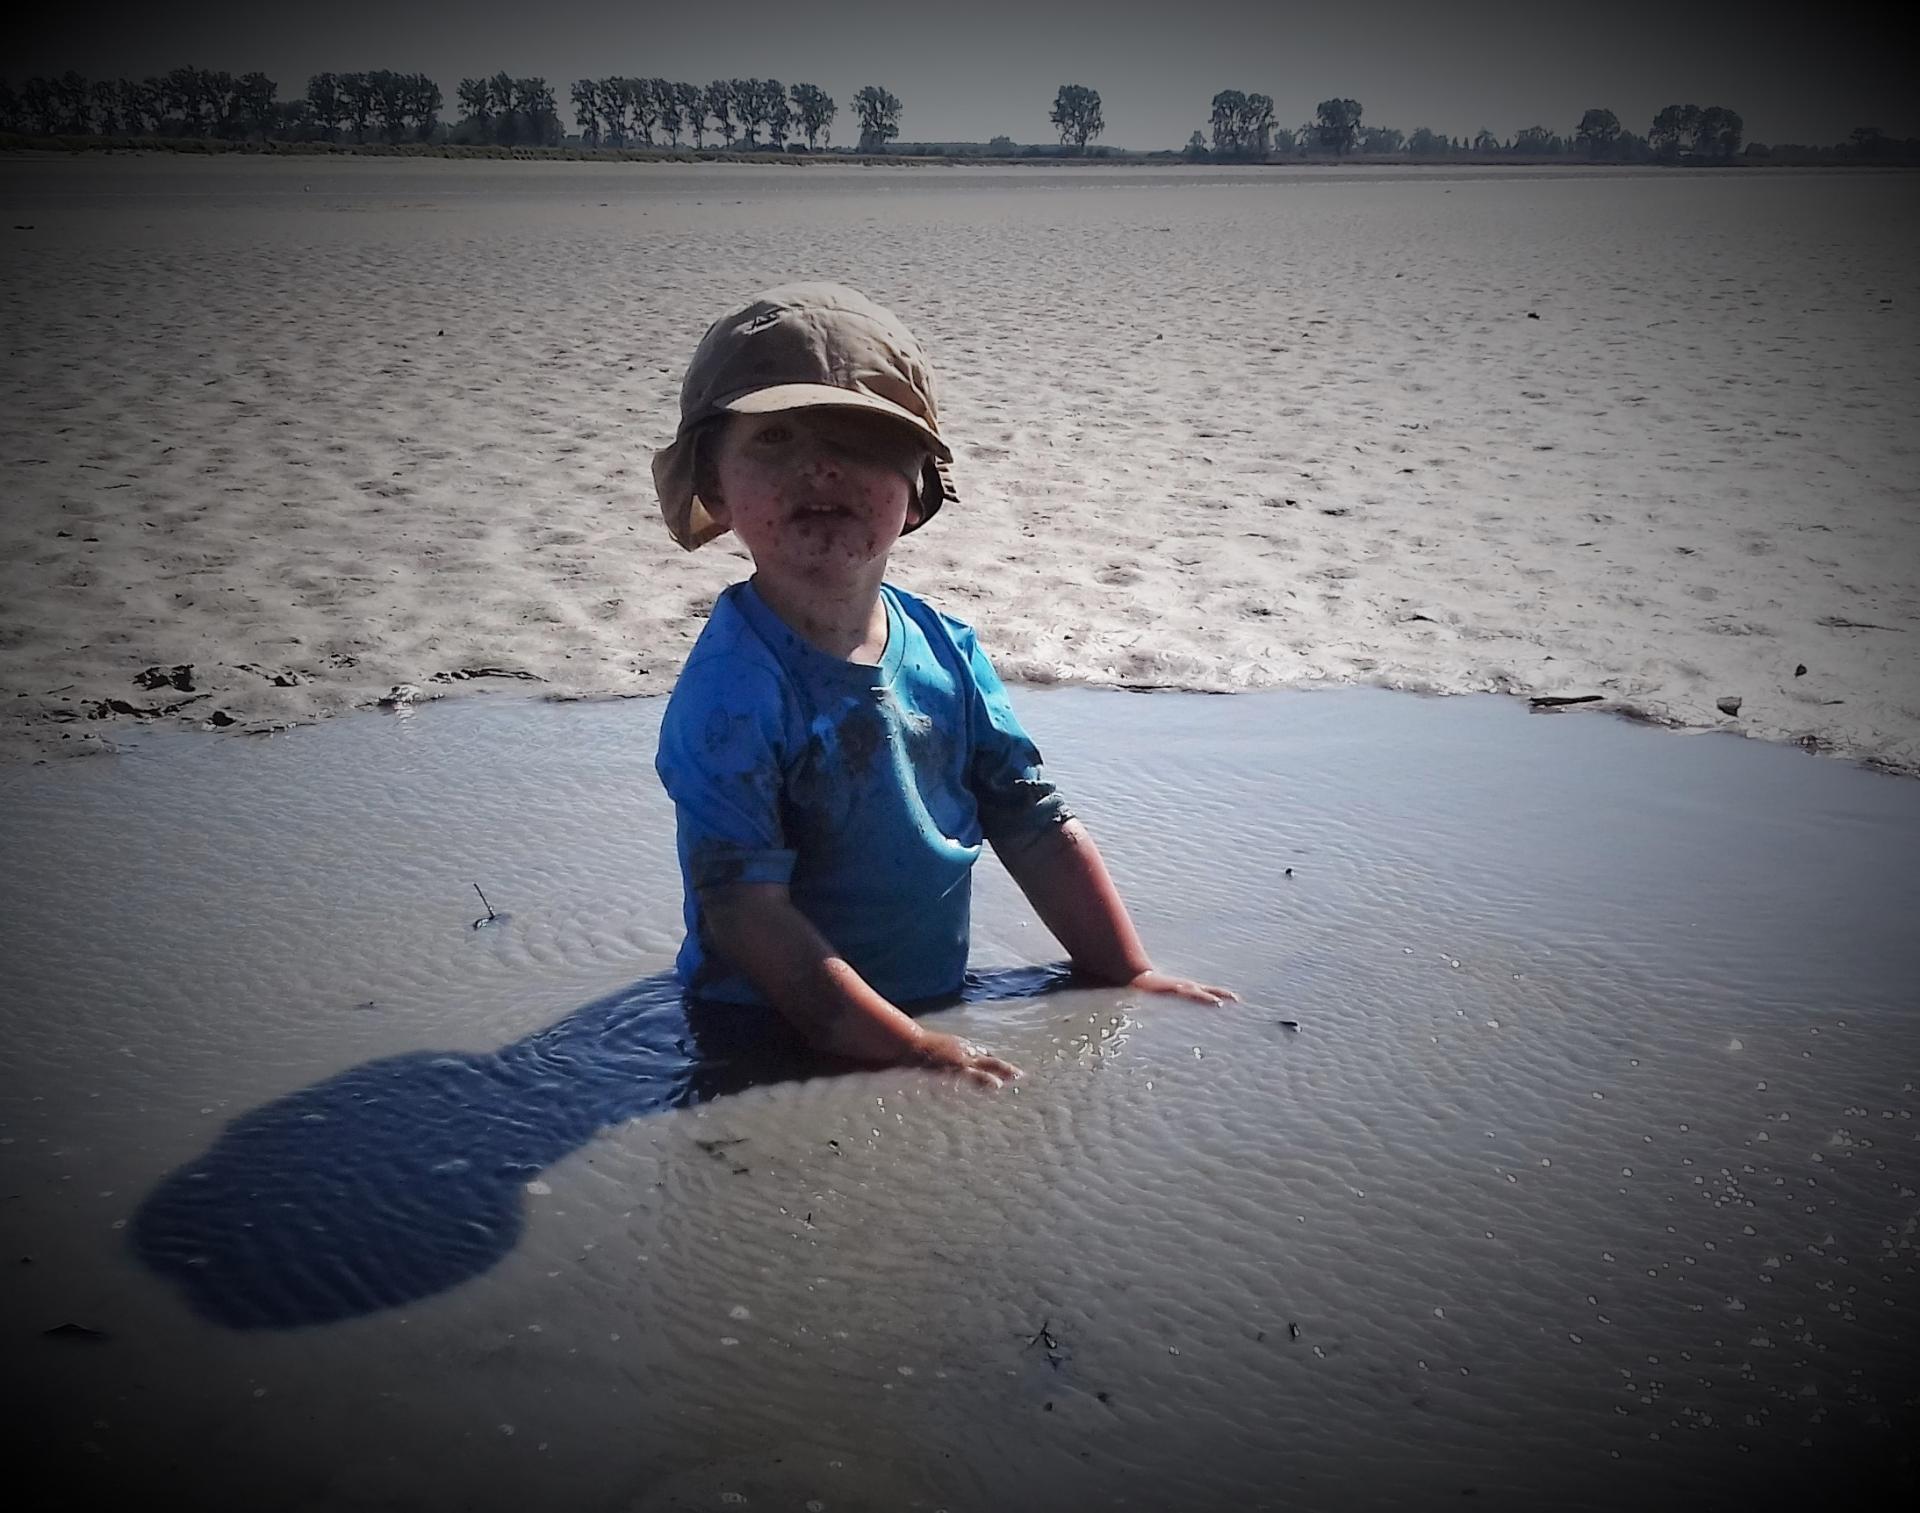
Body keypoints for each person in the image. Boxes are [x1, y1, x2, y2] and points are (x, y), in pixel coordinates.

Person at [652, 283, 1233, 1089]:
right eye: (776, 438)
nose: (819, 465)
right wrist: (909, 1049)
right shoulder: (732, 692)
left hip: (931, 1005)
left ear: (919, 485)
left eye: (858, 440)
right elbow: (745, 909)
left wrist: (1125, 972)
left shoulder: (947, 649)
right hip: (759, 1028)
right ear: (713, 486)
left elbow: (1031, 821)